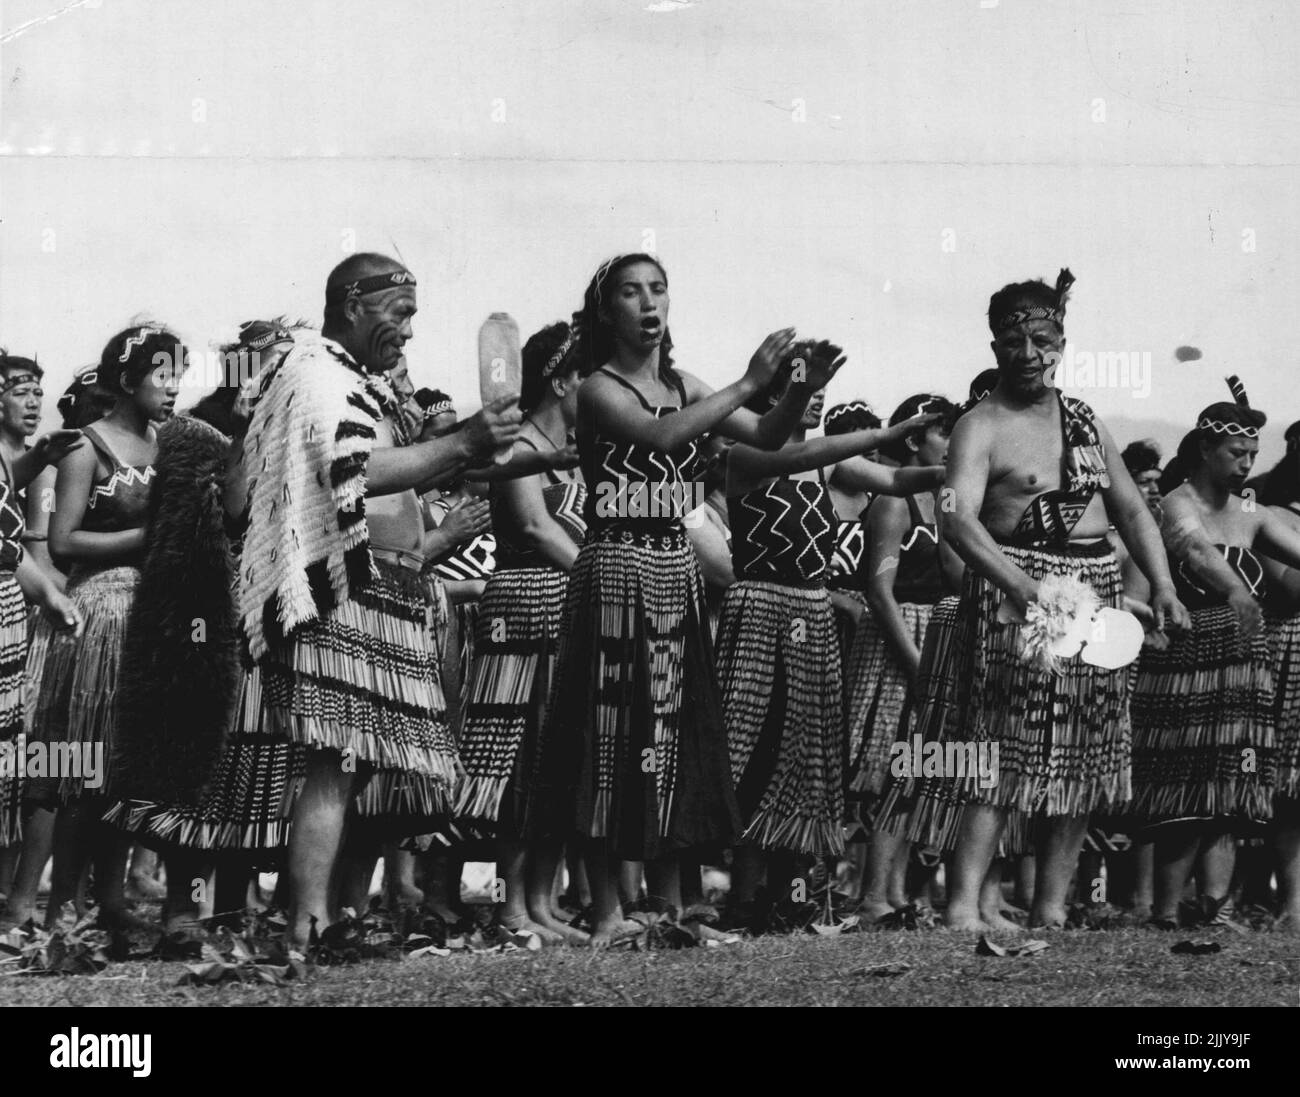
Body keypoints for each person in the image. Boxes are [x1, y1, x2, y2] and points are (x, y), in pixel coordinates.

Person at [527, 252, 823, 946]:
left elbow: (771, 437)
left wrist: (799, 387)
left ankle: (670, 906)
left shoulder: (686, 383)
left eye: (658, 288)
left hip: (673, 566)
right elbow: (661, 435)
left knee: (671, 736)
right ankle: (605, 911)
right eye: (631, 292)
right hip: (616, 566)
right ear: (607, 312)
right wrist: (750, 380)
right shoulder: (599, 389)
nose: (648, 302)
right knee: (610, 735)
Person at [225, 253, 521, 947]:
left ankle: (318, 911)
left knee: (354, 764)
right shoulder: (317, 372)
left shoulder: (359, 383)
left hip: (384, 592)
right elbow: (354, 468)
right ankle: (307, 922)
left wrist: (539, 448)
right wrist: (467, 440)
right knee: (334, 762)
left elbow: (441, 461)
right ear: (354, 303)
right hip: (342, 593)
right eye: (400, 313)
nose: (409, 331)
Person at [883, 270, 1189, 932]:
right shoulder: (979, 424)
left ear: (1061, 342)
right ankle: (963, 906)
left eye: (1042, 339)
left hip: (1096, 588)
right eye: (1013, 341)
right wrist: (1019, 586)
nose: (1029, 353)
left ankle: (1051, 906)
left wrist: (1161, 583)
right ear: (994, 346)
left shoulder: (1085, 421)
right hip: (1013, 587)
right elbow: (959, 518)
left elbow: (1134, 510)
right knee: (1001, 750)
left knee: (1085, 751)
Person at [717, 350, 944, 926]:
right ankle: (744, 901)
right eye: (800, 386)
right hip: (760, 609)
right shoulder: (743, 455)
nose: (815, 393)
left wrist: (966, 462)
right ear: (768, 397)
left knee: (806, 760)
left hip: (812, 615)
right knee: (751, 757)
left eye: (819, 386)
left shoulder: (829, 467)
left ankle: (791, 901)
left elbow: (897, 477)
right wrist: (885, 432)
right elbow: (805, 451)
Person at [9, 324, 182, 931]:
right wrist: (148, 536)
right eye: (162, 374)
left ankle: (108, 903)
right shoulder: (86, 446)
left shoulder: (171, 446)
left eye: (179, 373)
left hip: (153, 618)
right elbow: (63, 539)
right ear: (129, 379)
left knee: (129, 772)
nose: (173, 385)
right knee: (84, 767)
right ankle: (60, 908)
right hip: (100, 614)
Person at [1130, 380, 1300, 927]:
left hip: (1243, 663)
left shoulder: (1252, 514)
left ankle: (1215, 909)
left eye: (1254, 453)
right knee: (1184, 787)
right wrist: (1235, 592)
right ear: (1204, 448)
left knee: (1229, 787)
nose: (1248, 464)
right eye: (1236, 452)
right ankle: (1164, 910)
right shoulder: (1175, 503)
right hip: (1186, 660)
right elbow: (1194, 548)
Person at [452, 321, 588, 943]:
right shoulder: (518, 445)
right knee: (516, 760)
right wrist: (598, 575)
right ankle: (509, 909)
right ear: (561, 380)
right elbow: (532, 527)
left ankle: (541, 900)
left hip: (570, 607)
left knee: (557, 760)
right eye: (588, 374)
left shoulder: (577, 453)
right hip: (526, 602)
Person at [842, 393, 954, 921]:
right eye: (944, 434)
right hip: (898, 636)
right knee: (890, 765)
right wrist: (916, 662)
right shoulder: (892, 502)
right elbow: (880, 591)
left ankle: (896, 894)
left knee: (917, 768)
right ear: (913, 440)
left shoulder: (942, 499)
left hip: (934, 632)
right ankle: (871, 896)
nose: (953, 445)